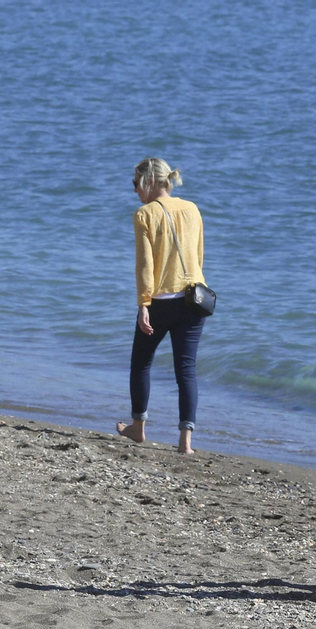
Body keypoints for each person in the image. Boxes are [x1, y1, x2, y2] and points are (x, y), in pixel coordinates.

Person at [116, 158, 207, 456]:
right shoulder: (192, 209)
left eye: (136, 184)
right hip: (193, 300)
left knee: (141, 363)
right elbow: (198, 256)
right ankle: (186, 443)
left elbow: (145, 265)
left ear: (150, 182)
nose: (135, 191)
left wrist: (143, 303)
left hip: (160, 303)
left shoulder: (144, 214)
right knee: (187, 370)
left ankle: (138, 428)